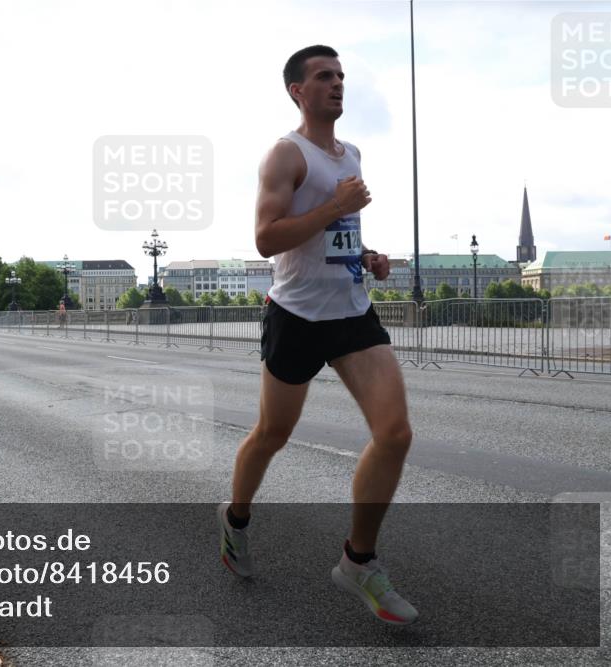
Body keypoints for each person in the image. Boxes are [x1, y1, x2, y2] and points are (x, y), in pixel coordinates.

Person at [217, 45, 418, 625]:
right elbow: (267, 238)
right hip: (297, 317)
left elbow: (337, 235)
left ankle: (359, 561)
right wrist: (335, 206)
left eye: (341, 76)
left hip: (351, 312)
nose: (337, 85)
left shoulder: (350, 152)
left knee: (396, 432)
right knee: (272, 434)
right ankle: (236, 519)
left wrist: (369, 255)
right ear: (297, 91)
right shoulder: (285, 154)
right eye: (324, 77)